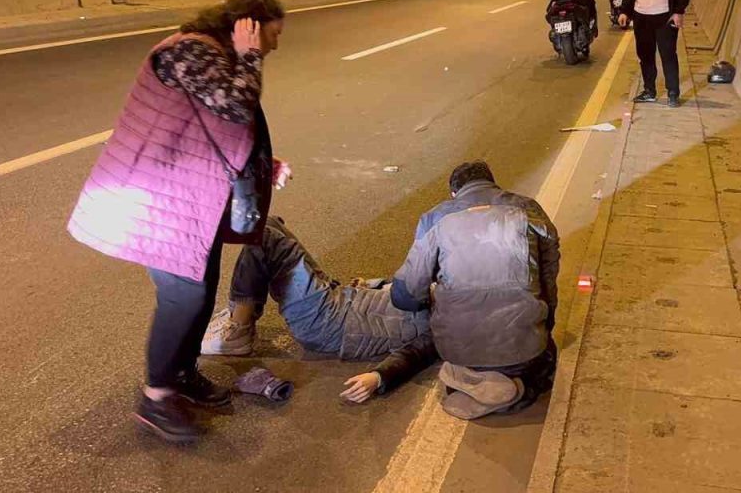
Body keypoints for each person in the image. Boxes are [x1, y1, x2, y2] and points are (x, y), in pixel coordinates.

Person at [67, 0, 289, 443]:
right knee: (183, 296)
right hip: (158, 197)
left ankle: (181, 374)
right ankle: (155, 397)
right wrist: (250, 57)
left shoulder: (211, 56)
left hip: (188, 198)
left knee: (202, 289)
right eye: (274, 33)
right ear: (248, 24)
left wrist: (270, 169)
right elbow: (234, 106)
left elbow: (216, 129)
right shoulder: (188, 51)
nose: (276, 45)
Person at [201, 218, 438, 403]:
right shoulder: (457, 288)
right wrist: (373, 284)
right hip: (342, 299)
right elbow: (407, 286)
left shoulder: (449, 322)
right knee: (269, 222)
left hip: (329, 323)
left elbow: (415, 355)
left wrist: (379, 377)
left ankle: (236, 332)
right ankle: (239, 319)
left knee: (264, 239)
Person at [391, 161, 560, 420]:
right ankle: (518, 389)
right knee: (546, 361)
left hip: (458, 351)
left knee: (441, 302)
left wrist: (432, 298)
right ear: (493, 184)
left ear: (454, 193)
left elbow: (407, 294)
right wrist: (545, 326)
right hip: (524, 351)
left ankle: (468, 378)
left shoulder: (434, 218)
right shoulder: (528, 209)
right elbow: (549, 280)